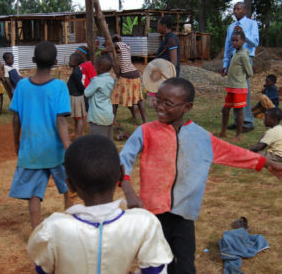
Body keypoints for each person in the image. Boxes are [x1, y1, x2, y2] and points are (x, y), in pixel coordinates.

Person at [119, 77, 282, 274]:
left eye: (167, 103)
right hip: (153, 213)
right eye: (157, 100)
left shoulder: (201, 137)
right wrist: (128, 190)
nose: (159, 107)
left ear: (187, 107)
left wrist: (266, 163)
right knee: (160, 262)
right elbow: (123, 159)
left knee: (186, 265)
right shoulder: (145, 131)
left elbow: (233, 152)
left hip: (183, 214)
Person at [27, 135, 173, 274]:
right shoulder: (144, 224)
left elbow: (43, 269)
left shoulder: (52, 228)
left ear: (70, 185)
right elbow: (156, 270)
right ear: (121, 174)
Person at [9, 41, 72, 229]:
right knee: (69, 187)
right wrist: (69, 148)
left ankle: (36, 229)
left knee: (35, 194)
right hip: (56, 151)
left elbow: (16, 119)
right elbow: (61, 121)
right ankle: (70, 224)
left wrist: (16, 142)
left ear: (33, 60)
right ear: (55, 62)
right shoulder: (60, 87)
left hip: (31, 149)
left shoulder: (21, 86)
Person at [223, 2, 259, 132]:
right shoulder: (231, 26)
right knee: (234, 88)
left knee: (244, 89)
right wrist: (225, 64)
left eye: (238, 9)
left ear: (245, 10)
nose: (235, 11)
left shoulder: (251, 24)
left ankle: (247, 122)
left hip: (245, 57)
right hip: (233, 58)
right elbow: (228, 45)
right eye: (234, 9)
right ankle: (237, 120)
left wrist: (244, 34)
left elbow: (255, 42)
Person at [219, 30, 253, 142]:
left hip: (239, 87)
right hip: (231, 87)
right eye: (232, 40)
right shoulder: (235, 53)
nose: (234, 43)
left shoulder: (243, 55)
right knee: (225, 109)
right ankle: (223, 131)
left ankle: (238, 135)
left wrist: (240, 79)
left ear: (243, 41)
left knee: (239, 111)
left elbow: (250, 72)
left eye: (236, 40)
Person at [111, 34, 147, 123]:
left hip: (127, 74)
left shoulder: (119, 44)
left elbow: (110, 46)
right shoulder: (126, 46)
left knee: (115, 98)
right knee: (139, 99)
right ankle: (145, 121)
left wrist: (105, 50)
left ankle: (112, 121)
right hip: (135, 73)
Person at [84, 55, 115, 141]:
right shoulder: (110, 79)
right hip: (108, 114)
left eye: (95, 65)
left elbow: (86, 93)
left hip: (97, 116)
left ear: (100, 67)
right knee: (108, 141)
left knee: (97, 142)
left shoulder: (96, 80)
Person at [67, 53, 87, 139]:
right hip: (74, 96)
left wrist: (83, 91)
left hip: (76, 98)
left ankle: (80, 134)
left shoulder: (76, 72)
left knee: (78, 118)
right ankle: (77, 133)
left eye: (71, 60)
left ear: (76, 62)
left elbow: (80, 85)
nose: (69, 62)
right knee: (76, 117)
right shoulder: (76, 70)